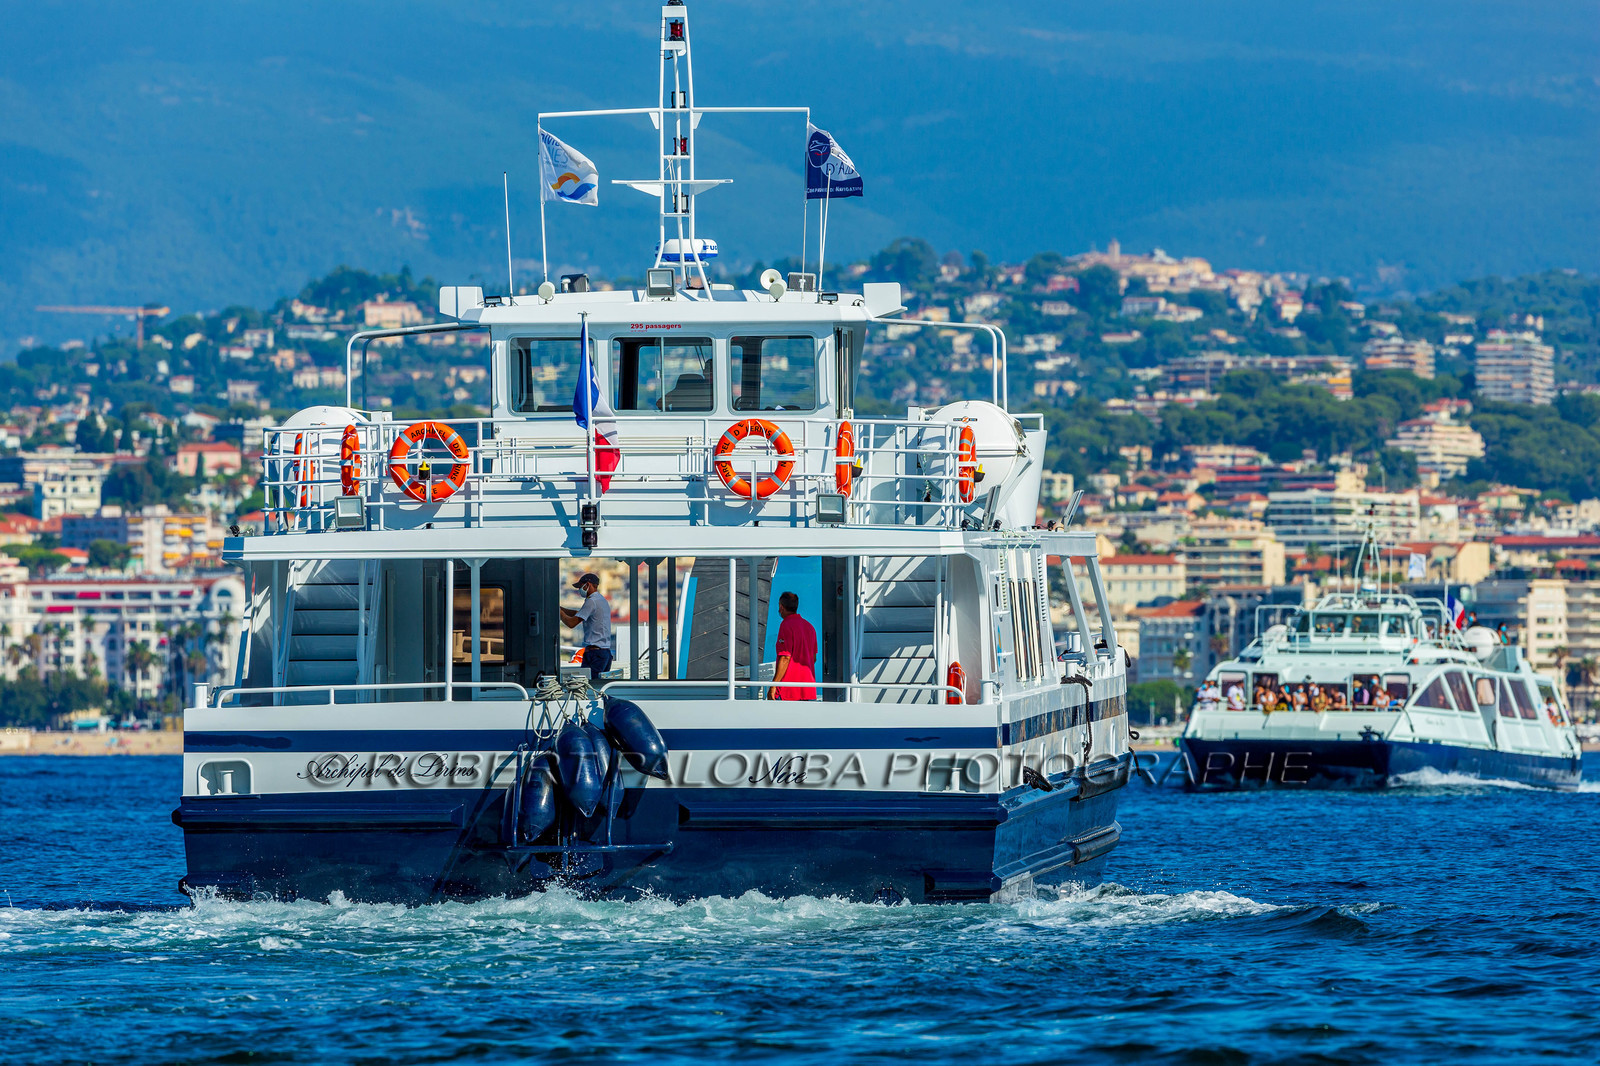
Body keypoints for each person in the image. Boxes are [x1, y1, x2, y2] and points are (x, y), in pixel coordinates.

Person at [560, 571, 613, 682]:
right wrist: (561, 608)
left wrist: (559, 613)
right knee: (597, 687)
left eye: (580, 586)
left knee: (586, 686)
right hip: (604, 653)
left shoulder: (591, 602)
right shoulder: (601, 600)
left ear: (587, 585)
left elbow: (571, 623)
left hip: (595, 654)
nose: (579, 590)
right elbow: (578, 614)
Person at [768, 591, 818, 700]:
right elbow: (813, 658)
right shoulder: (810, 627)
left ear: (781, 607)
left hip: (788, 689)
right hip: (807, 688)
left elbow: (785, 657)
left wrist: (773, 685)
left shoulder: (786, 625)